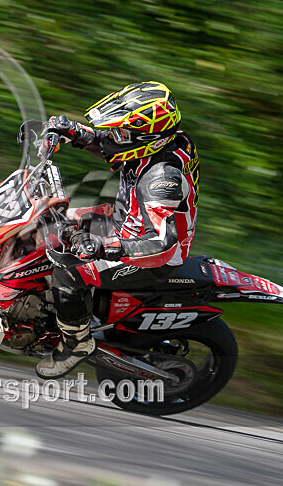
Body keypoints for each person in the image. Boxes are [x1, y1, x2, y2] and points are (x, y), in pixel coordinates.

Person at [29, 81, 200, 379]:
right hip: (125, 219)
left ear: (148, 138)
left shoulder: (163, 178)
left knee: (70, 270)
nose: (113, 136)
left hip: (148, 251)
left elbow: (162, 243)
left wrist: (106, 247)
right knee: (50, 218)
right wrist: (73, 132)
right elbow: (113, 144)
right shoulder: (159, 140)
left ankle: (76, 343)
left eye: (120, 131)